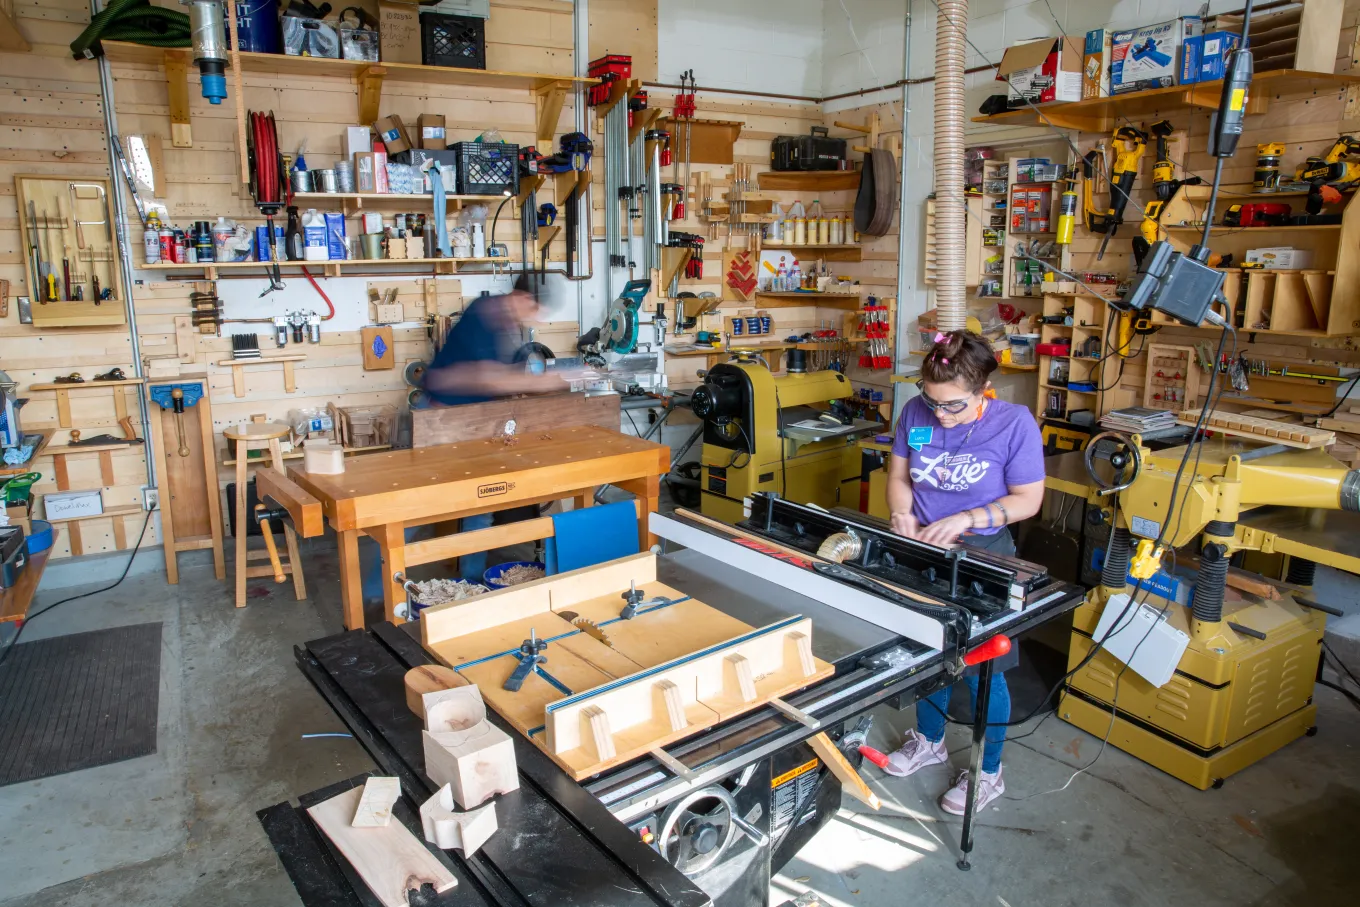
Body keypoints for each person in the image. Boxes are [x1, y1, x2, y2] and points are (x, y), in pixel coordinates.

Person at [882, 329, 1045, 814]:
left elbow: (1028, 500)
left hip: (984, 554)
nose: (939, 414)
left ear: (982, 392)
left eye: (953, 406)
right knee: (926, 652)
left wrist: (967, 518)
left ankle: (987, 770)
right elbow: (897, 476)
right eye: (931, 401)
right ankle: (929, 741)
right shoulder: (915, 412)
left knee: (982, 669)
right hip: (924, 547)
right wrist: (901, 513)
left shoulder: (1014, 424)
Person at [359, 276, 568, 603]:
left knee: (481, 504)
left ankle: (470, 585)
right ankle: (372, 593)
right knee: (416, 507)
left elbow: (499, 379)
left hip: (470, 424)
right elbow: (485, 377)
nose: (537, 318)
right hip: (441, 421)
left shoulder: (507, 324)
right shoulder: (483, 314)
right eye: (536, 308)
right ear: (521, 297)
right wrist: (552, 381)